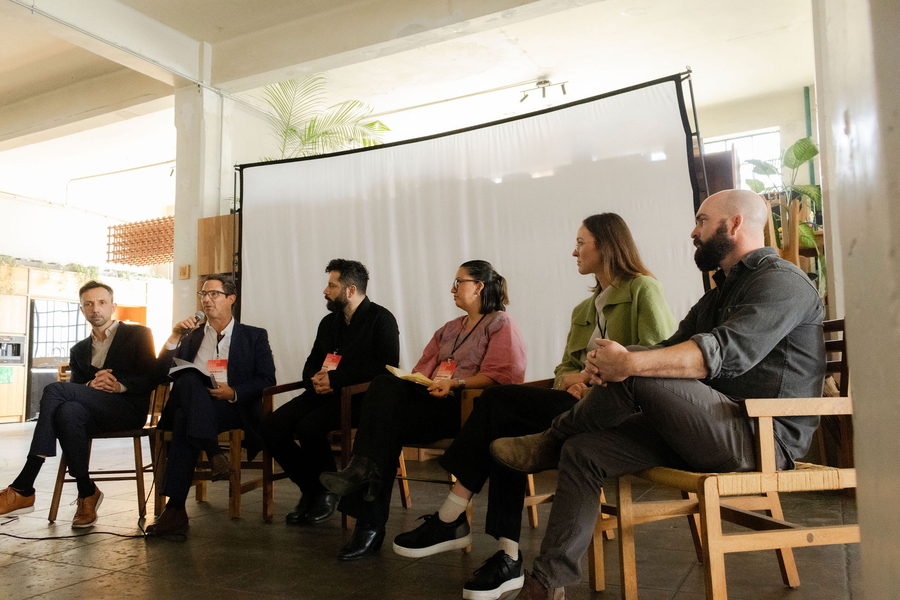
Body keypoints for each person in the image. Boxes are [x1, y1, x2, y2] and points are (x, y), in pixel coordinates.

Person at [490, 189, 826, 600]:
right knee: (583, 451)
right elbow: (668, 347)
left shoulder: (782, 282)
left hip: (760, 437)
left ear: (735, 223)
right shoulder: (718, 295)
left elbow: (723, 354)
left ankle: (551, 439)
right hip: (708, 427)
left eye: (702, 221)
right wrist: (606, 362)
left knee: (635, 366)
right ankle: (545, 584)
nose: (693, 232)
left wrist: (628, 362)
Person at [391, 214, 676, 600]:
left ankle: (451, 517)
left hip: (622, 412)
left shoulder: (643, 288)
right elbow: (562, 371)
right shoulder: (584, 309)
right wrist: (572, 381)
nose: (574, 252)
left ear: (607, 245)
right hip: (575, 406)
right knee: (505, 428)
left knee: (498, 402)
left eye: (581, 243)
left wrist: (597, 384)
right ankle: (507, 555)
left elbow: (659, 360)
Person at [319, 260, 527, 561]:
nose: (452, 289)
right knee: (384, 388)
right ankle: (365, 490)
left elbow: (501, 376)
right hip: (433, 403)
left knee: (383, 428)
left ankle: (368, 521)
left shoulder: (500, 324)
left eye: (459, 283)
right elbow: (420, 371)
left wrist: (455, 383)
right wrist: (415, 381)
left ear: (479, 286)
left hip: (467, 411)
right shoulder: (449, 329)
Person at [0, 281, 156, 528]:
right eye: (89, 304)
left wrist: (119, 386)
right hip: (92, 415)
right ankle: (86, 491)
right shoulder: (79, 349)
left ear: (113, 306)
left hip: (127, 411)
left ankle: (25, 484)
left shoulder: (139, 334)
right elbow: (74, 391)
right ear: (82, 310)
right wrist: (89, 386)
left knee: (54, 389)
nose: (96, 309)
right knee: (67, 411)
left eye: (102, 303)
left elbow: (152, 376)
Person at [261, 259, 399, 526]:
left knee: (309, 427)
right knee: (272, 427)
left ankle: (323, 492)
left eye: (331, 286)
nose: (325, 291)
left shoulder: (381, 319)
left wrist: (335, 379)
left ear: (350, 290)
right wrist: (314, 379)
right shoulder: (328, 322)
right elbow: (313, 361)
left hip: (358, 398)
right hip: (321, 393)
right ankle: (314, 488)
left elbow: (386, 367)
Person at [148, 274, 276, 535]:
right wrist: (174, 336)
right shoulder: (190, 336)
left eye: (213, 294)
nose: (206, 299)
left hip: (231, 408)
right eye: (203, 294)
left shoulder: (253, 336)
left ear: (231, 299)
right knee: (188, 383)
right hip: (196, 406)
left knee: (185, 417)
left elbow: (267, 379)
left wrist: (233, 392)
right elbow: (161, 374)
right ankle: (215, 454)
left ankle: (175, 510)